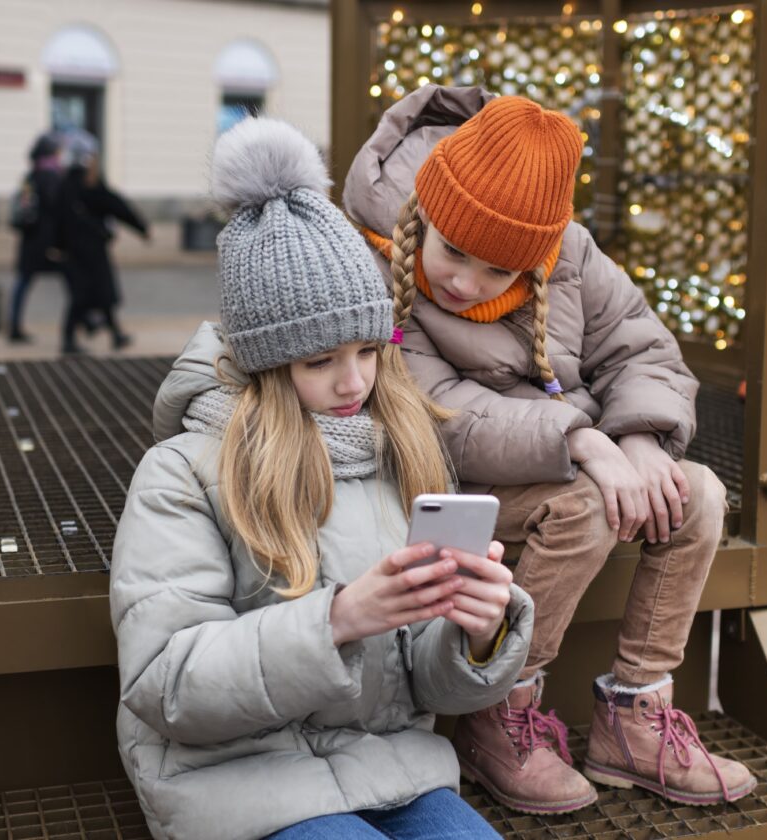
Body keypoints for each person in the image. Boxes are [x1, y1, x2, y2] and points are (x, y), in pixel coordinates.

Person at [111, 118, 535, 840]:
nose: (355, 381)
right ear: (267, 362)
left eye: (370, 350)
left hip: (391, 766)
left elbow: (422, 686)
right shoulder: (181, 473)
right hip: (235, 783)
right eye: (319, 361)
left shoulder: (399, 449)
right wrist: (336, 621)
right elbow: (166, 683)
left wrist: (479, 633)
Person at [342, 86, 755, 813]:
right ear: (426, 216)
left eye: (498, 272)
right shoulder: (377, 263)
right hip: (444, 477)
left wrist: (641, 436)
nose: (466, 284)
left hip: (568, 455)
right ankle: (497, 707)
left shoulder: (569, 254)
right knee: (585, 510)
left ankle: (635, 714)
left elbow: (642, 345)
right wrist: (583, 439)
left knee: (700, 498)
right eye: (454, 252)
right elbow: (437, 413)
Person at [54, 131, 148, 354]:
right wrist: (140, 227)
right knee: (85, 295)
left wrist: (57, 246)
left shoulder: (68, 183)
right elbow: (116, 205)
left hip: (76, 250)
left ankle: (114, 334)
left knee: (96, 294)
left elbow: (57, 220)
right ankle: (70, 339)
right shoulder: (88, 183)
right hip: (88, 250)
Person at [6, 134, 65, 343]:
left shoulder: (31, 175)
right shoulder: (51, 176)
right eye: (58, 151)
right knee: (73, 277)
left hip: (29, 239)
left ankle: (13, 326)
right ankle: (84, 322)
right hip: (46, 240)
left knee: (23, 281)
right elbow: (56, 207)